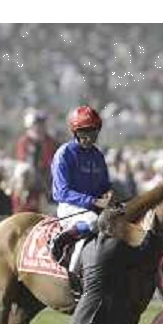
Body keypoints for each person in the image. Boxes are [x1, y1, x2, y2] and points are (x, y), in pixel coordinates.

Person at [49, 105, 113, 266]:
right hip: (70, 207)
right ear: (75, 132)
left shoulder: (98, 156)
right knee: (93, 221)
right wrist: (94, 202)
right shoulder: (65, 153)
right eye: (84, 131)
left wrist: (109, 194)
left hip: (94, 208)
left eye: (93, 131)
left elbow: (105, 186)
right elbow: (61, 193)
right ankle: (63, 245)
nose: (89, 136)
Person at [14, 109, 57, 203]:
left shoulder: (50, 141)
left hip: (47, 180)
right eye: (37, 124)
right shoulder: (24, 141)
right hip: (30, 181)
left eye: (42, 124)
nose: (40, 127)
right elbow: (23, 161)